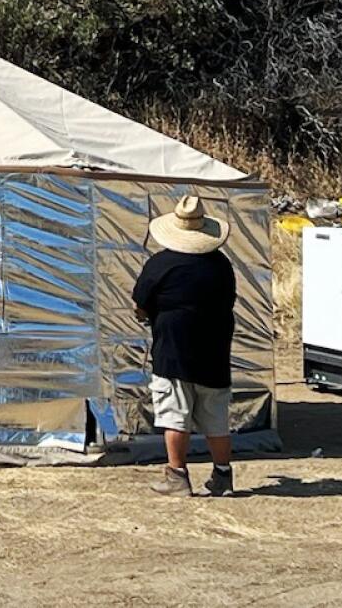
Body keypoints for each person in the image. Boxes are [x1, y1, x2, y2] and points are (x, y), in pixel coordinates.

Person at [133, 193, 238, 498]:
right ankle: (223, 476)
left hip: (174, 350)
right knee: (215, 416)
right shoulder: (221, 265)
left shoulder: (161, 264)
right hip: (216, 350)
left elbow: (141, 304)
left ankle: (177, 475)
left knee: (175, 414)